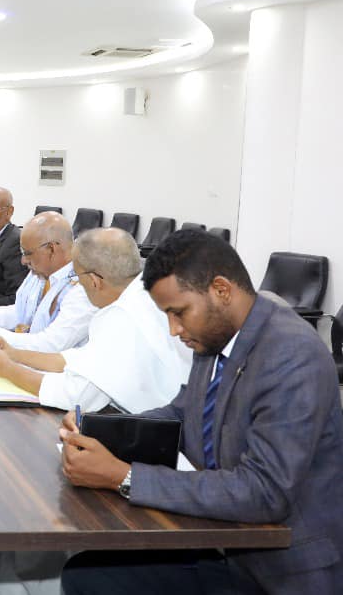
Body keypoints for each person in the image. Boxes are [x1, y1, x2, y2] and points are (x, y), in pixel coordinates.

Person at [59, 229, 343, 594]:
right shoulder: (216, 334)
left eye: (178, 313)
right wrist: (98, 429)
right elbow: (183, 413)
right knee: (87, 574)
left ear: (221, 290)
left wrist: (124, 477)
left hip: (283, 569)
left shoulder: (291, 355)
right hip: (227, 542)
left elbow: (264, 492)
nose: (173, 329)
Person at [0, 228, 191, 413]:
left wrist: (7, 369)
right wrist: (15, 354)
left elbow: (77, 396)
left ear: (94, 281)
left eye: (77, 277)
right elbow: (82, 358)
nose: (78, 285)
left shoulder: (122, 316)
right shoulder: (144, 293)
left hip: (157, 427)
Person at [0, 211, 95, 352]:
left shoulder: (84, 287)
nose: (23, 261)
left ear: (51, 249)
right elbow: (21, 311)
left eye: (27, 253)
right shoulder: (39, 272)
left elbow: (51, 344)